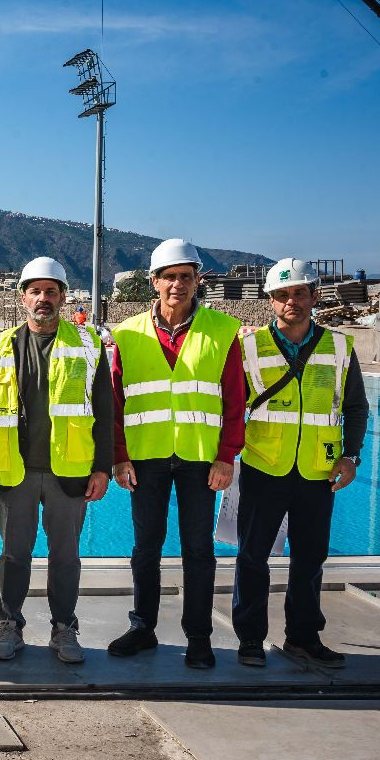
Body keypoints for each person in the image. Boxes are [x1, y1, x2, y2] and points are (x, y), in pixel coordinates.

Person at [110, 238, 245, 669]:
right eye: (170, 277)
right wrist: (118, 455)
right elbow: (114, 401)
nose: (178, 285)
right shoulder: (127, 333)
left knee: (198, 550)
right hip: (146, 456)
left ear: (197, 280)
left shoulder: (222, 331)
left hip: (199, 458)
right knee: (145, 547)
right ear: (155, 282)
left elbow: (234, 400)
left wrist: (227, 456)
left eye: (186, 277)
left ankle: (199, 637)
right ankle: (143, 627)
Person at [231, 258, 369, 668]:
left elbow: (356, 406)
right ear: (270, 300)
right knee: (253, 556)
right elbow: (231, 406)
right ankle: (251, 639)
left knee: (310, 558)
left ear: (313, 296)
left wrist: (351, 454)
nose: (292, 301)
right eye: (283, 295)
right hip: (263, 465)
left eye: (299, 293)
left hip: (316, 470)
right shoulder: (248, 347)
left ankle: (304, 638)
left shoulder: (339, 346)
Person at [0, 257, 113, 664]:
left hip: (68, 470)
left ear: (64, 297)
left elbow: (105, 410)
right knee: (14, 554)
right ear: (22, 298)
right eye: (35, 290)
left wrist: (102, 467)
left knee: (65, 556)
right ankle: (10, 624)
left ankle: (64, 627)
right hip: (13, 469)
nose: (43, 298)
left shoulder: (87, 346)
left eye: (51, 291)